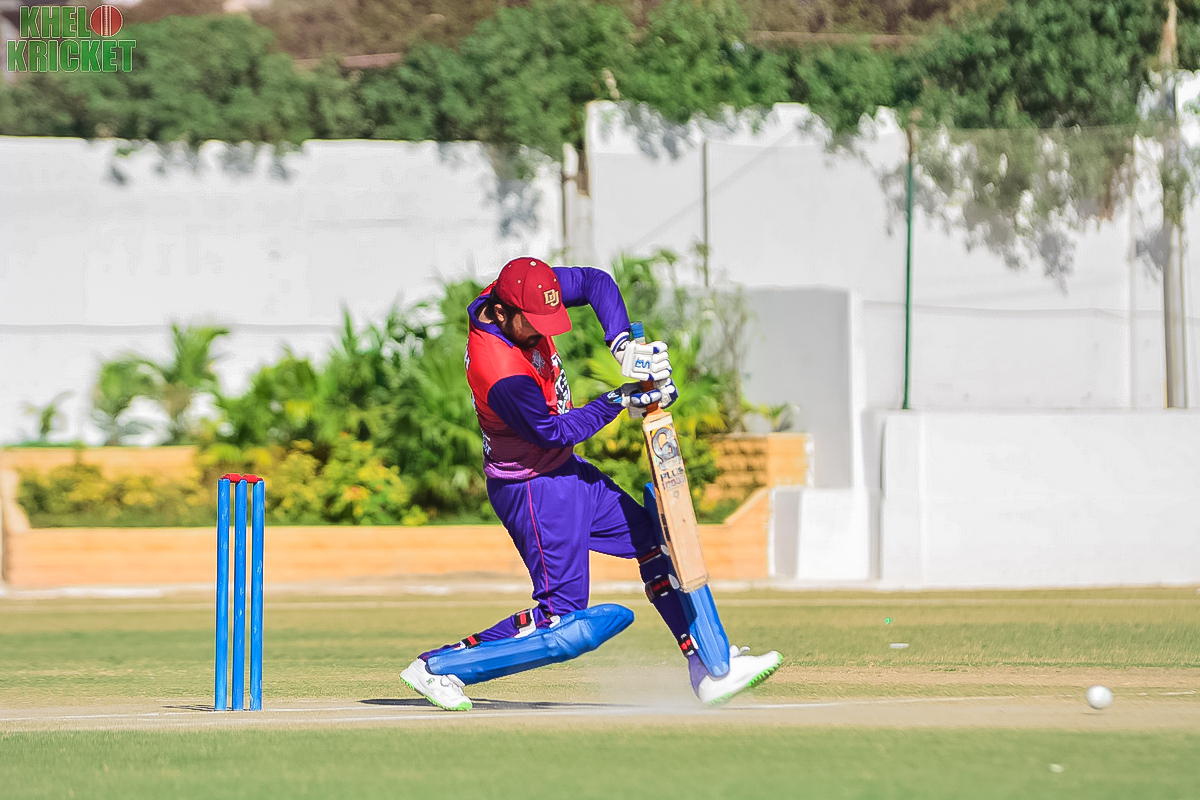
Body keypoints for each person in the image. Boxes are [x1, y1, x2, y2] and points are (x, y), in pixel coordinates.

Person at [401, 257, 781, 711]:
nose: (543, 330)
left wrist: (623, 346)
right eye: (533, 323)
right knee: (561, 618)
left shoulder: (519, 289)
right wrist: (620, 399)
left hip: (566, 471)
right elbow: (552, 431)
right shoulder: (498, 369)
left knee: (654, 543)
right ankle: (439, 666)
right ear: (501, 313)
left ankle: (708, 666)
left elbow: (595, 282)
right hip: (534, 489)